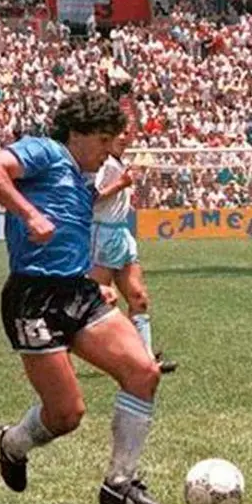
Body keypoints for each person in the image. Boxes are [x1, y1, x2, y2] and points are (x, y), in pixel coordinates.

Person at [0, 91, 163, 504]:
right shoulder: (45, 151)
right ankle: (13, 443)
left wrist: (95, 278)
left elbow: (74, 224)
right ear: (77, 134)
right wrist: (28, 214)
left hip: (77, 291)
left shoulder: (82, 176)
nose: (109, 149)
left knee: (143, 372)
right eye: (103, 139)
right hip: (32, 298)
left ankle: (120, 482)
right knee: (66, 415)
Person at [88, 135, 177, 374]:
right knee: (94, 302)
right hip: (103, 233)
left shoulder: (117, 162)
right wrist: (121, 185)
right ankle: (58, 352)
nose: (124, 139)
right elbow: (89, 198)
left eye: (127, 134)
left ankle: (145, 360)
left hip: (121, 232)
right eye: (120, 134)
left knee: (138, 298)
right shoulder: (103, 164)